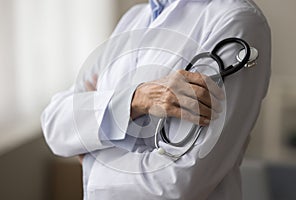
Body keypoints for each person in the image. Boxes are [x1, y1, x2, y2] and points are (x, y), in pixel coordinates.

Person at [41, 0, 271, 199]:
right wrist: (136, 100)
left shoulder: (237, 21)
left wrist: (92, 154)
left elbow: (179, 180)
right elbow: (55, 125)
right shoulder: (133, 18)